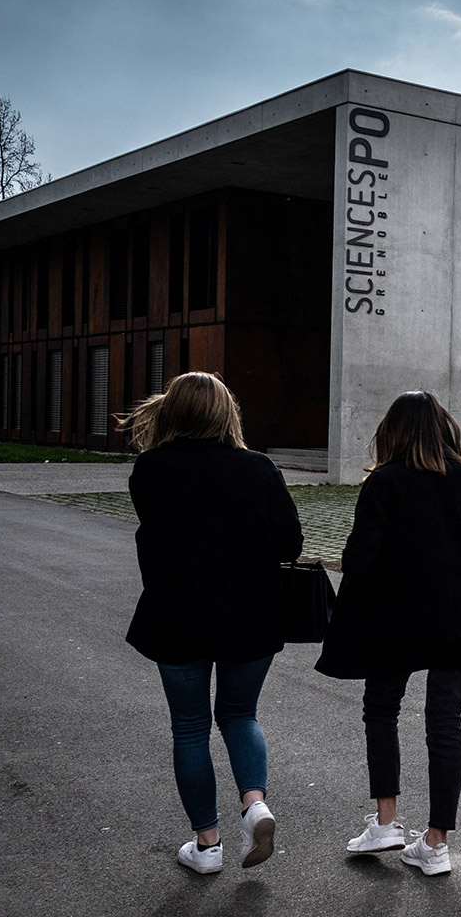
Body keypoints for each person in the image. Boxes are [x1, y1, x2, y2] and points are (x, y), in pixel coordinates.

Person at [315, 391, 461, 877]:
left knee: (381, 710)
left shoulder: (383, 483)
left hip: (393, 618)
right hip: (455, 618)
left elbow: (359, 561)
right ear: (445, 428)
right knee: (445, 723)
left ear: (394, 430)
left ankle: (386, 823)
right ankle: (436, 843)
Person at [122, 372, 304, 875]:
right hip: (251, 616)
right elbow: (291, 545)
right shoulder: (259, 468)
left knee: (190, 727)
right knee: (240, 715)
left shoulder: (150, 469)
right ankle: (255, 804)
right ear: (229, 412)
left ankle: (207, 846)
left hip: (177, 616)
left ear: (172, 413)